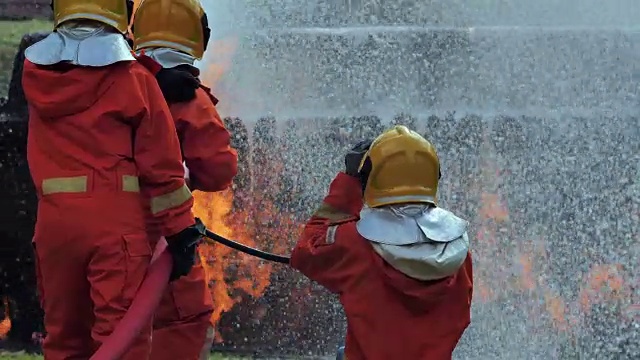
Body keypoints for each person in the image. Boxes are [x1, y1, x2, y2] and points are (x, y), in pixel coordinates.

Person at [22, 1, 203, 358]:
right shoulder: (134, 80)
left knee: (63, 338)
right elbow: (162, 169)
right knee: (119, 339)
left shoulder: (37, 76)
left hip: (53, 228)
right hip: (114, 229)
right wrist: (181, 232)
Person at [291, 125, 474, 360]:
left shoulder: (355, 244)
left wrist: (348, 184)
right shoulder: (458, 249)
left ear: (369, 179)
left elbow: (306, 252)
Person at [131, 1, 238, 359]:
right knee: (183, 319)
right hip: (161, 234)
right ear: (199, 39)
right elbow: (218, 170)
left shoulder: (111, 83)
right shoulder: (188, 98)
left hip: (97, 233)